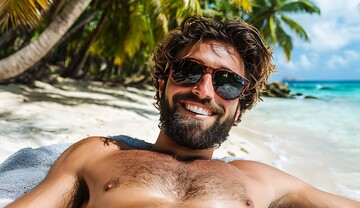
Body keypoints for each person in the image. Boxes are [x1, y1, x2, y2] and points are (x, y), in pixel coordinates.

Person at [7, 16, 360, 208]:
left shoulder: (260, 178)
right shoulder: (100, 153)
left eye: (227, 83)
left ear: (239, 108)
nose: (204, 91)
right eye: (189, 71)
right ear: (162, 84)